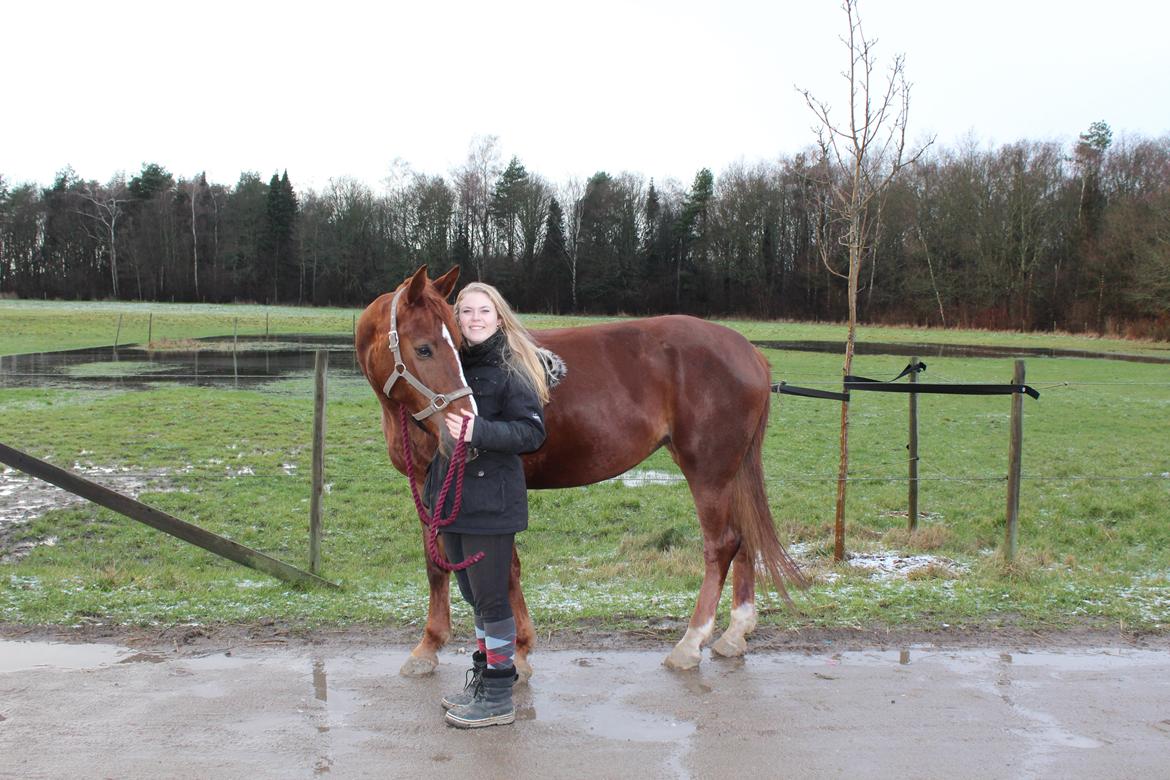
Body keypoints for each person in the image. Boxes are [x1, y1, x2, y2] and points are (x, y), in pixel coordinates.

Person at [424, 281, 549, 729]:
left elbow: (531, 433)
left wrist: (478, 433)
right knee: (474, 597)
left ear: (499, 318)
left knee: (494, 600)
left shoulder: (513, 367)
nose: (474, 319)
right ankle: (485, 677)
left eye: (484, 311)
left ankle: (498, 696)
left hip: (492, 502)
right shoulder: (453, 367)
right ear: (455, 320)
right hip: (454, 501)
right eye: (466, 312)